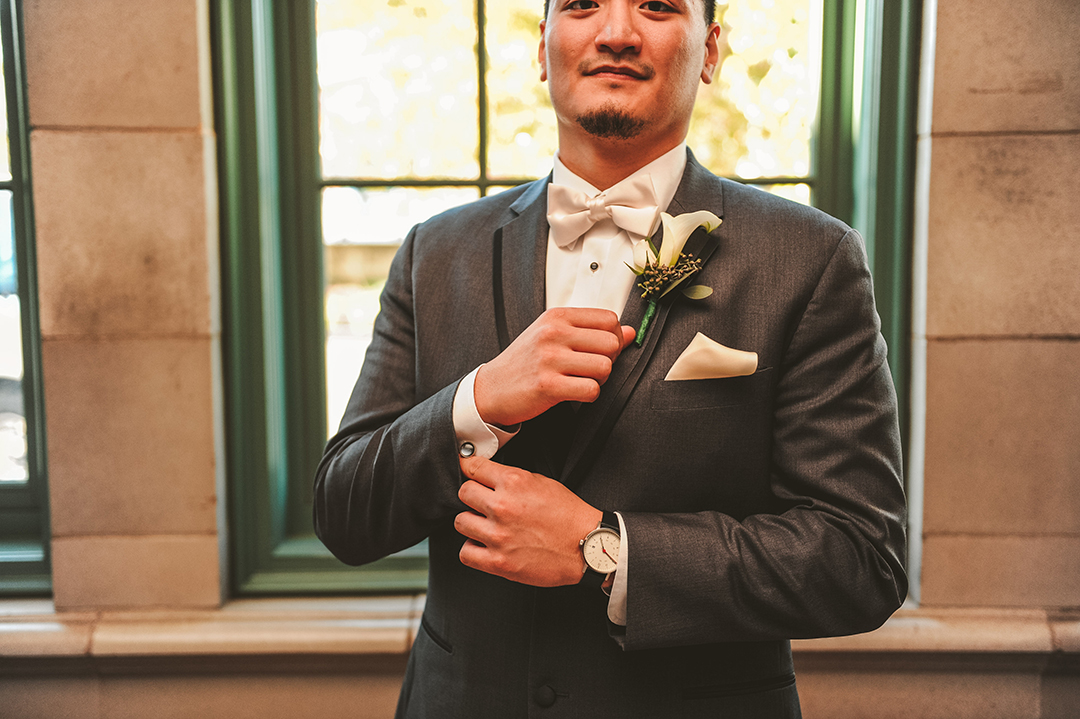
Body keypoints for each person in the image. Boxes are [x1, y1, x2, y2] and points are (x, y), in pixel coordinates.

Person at [314, 0, 907, 716]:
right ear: (542, 48)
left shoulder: (811, 259)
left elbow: (860, 557)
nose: (617, 32)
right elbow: (344, 511)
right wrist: (477, 401)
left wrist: (607, 549)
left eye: (657, 7)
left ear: (711, 50)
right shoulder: (434, 253)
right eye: (582, 5)